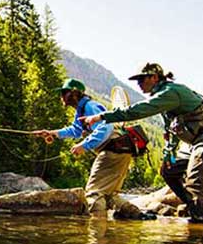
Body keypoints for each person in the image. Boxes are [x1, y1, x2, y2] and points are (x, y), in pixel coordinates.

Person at [81, 63, 203, 224]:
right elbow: (172, 130)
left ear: (154, 77)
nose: (138, 83)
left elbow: (137, 111)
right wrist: (169, 155)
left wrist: (101, 117)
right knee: (169, 172)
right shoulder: (164, 98)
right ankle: (195, 208)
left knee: (196, 180)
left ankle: (202, 223)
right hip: (196, 140)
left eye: (141, 79)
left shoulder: (170, 92)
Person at [33, 78, 153, 219]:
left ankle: (96, 232)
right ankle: (137, 216)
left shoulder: (90, 106)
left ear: (74, 94)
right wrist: (52, 133)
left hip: (112, 150)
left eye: (64, 92)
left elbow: (105, 127)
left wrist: (84, 145)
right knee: (109, 194)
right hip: (121, 151)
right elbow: (75, 130)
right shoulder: (82, 110)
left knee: (93, 192)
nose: (61, 97)